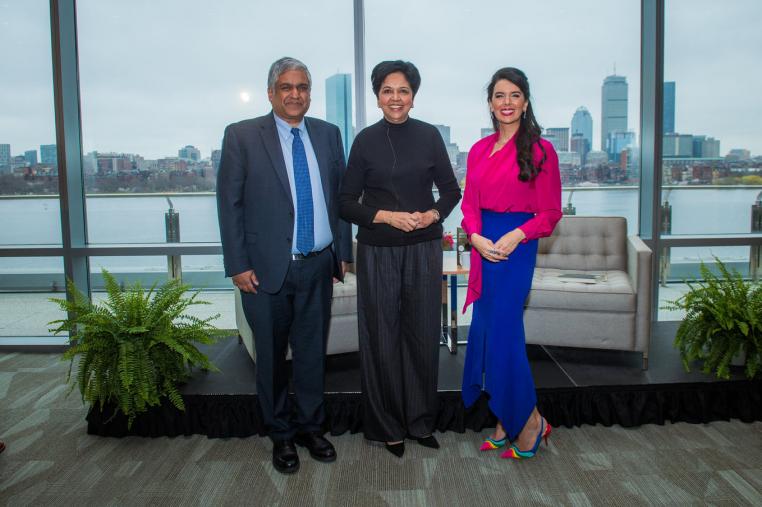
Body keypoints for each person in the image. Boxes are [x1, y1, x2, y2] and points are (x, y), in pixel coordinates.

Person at [217, 57, 352, 474]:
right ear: (271, 92)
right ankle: (281, 436)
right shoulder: (242, 136)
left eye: (303, 87)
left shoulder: (329, 135)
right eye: (287, 87)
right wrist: (237, 263)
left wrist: (342, 253)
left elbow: (341, 199)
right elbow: (229, 204)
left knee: (312, 355)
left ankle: (312, 429)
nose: (296, 94)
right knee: (272, 360)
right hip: (264, 271)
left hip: (318, 267)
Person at [339, 60, 462, 457]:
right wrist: (386, 216)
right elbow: (344, 203)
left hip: (424, 248)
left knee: (422, 335)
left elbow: (450, 191)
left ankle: (421, 421)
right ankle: (387, 425)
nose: (395, 98)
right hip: (377, 251)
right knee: (381, 338)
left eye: (403, 90)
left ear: (413, 96)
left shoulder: (429, 136)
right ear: (377, 97)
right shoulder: (364, 141)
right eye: (388, 90)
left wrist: (432, 214)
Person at [460, 67, 561, 460]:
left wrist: (517, 235)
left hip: (516, 248)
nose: (506, 102)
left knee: (505, 335)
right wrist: (476, 237)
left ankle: (531, 421)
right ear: (490, 103)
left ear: (525, 102)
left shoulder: (541, 150)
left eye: (514, 95)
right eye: (499, 95)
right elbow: (469, 206)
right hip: (485, 247)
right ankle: (506, 417)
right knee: (488, 332)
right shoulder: (478, 150)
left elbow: (551, 213)